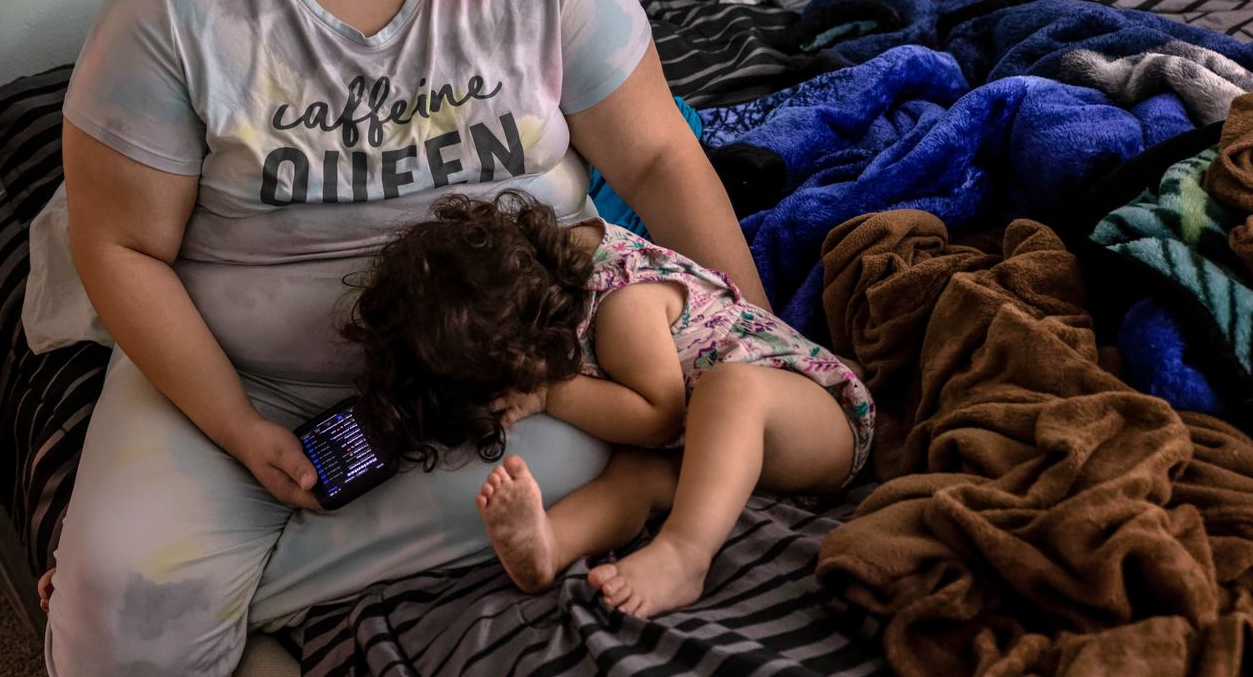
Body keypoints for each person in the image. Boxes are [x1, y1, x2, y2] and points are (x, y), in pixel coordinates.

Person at [43, 0, 771, 674]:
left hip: (506, 378)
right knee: (124, 600)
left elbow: (653, 154)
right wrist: (241, 427)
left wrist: (751, 335)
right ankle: (156, 585)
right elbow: (116, 243)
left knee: (585, 456)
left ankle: (212, 601)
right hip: (250, 376)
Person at [341, 192, 873, 617]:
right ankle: (549, 547)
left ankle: (685, 554)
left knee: (732, 387)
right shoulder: (539, 280)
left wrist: (552, 393)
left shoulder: (623, 305)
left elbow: (660, 418)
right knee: (632, 476)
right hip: (715, 452)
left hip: (818, 419)